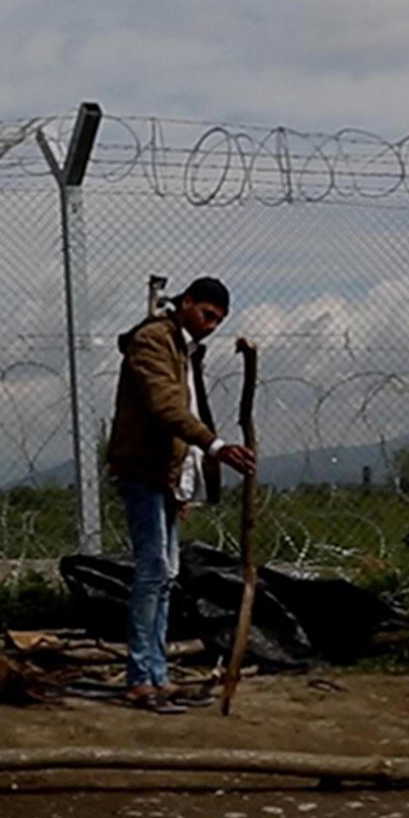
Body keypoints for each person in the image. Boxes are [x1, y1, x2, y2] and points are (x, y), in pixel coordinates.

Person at [107, 275, 257, 711]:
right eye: (207, 314)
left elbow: (184, 411)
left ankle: (157, 675)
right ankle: (141, 678)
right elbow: (166, 406)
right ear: (187, 302)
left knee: (165, 576)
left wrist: (184, 481)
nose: (211, 325)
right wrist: (215, 446)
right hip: (143, 470)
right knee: (153, 572)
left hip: (164, 475)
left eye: (218, 321)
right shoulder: (153, 341)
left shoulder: (185, 350)